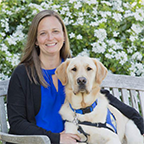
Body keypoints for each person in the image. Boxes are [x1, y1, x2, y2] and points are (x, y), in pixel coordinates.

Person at [7, 10, 144, 144]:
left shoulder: (72, 69)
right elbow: (17, 123)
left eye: (55, 31)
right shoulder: (23, 73)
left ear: (64, 36)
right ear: (36, 40)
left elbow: (104, 97)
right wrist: (56, 138)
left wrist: (140, 124)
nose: (50, 38)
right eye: (43, 33)